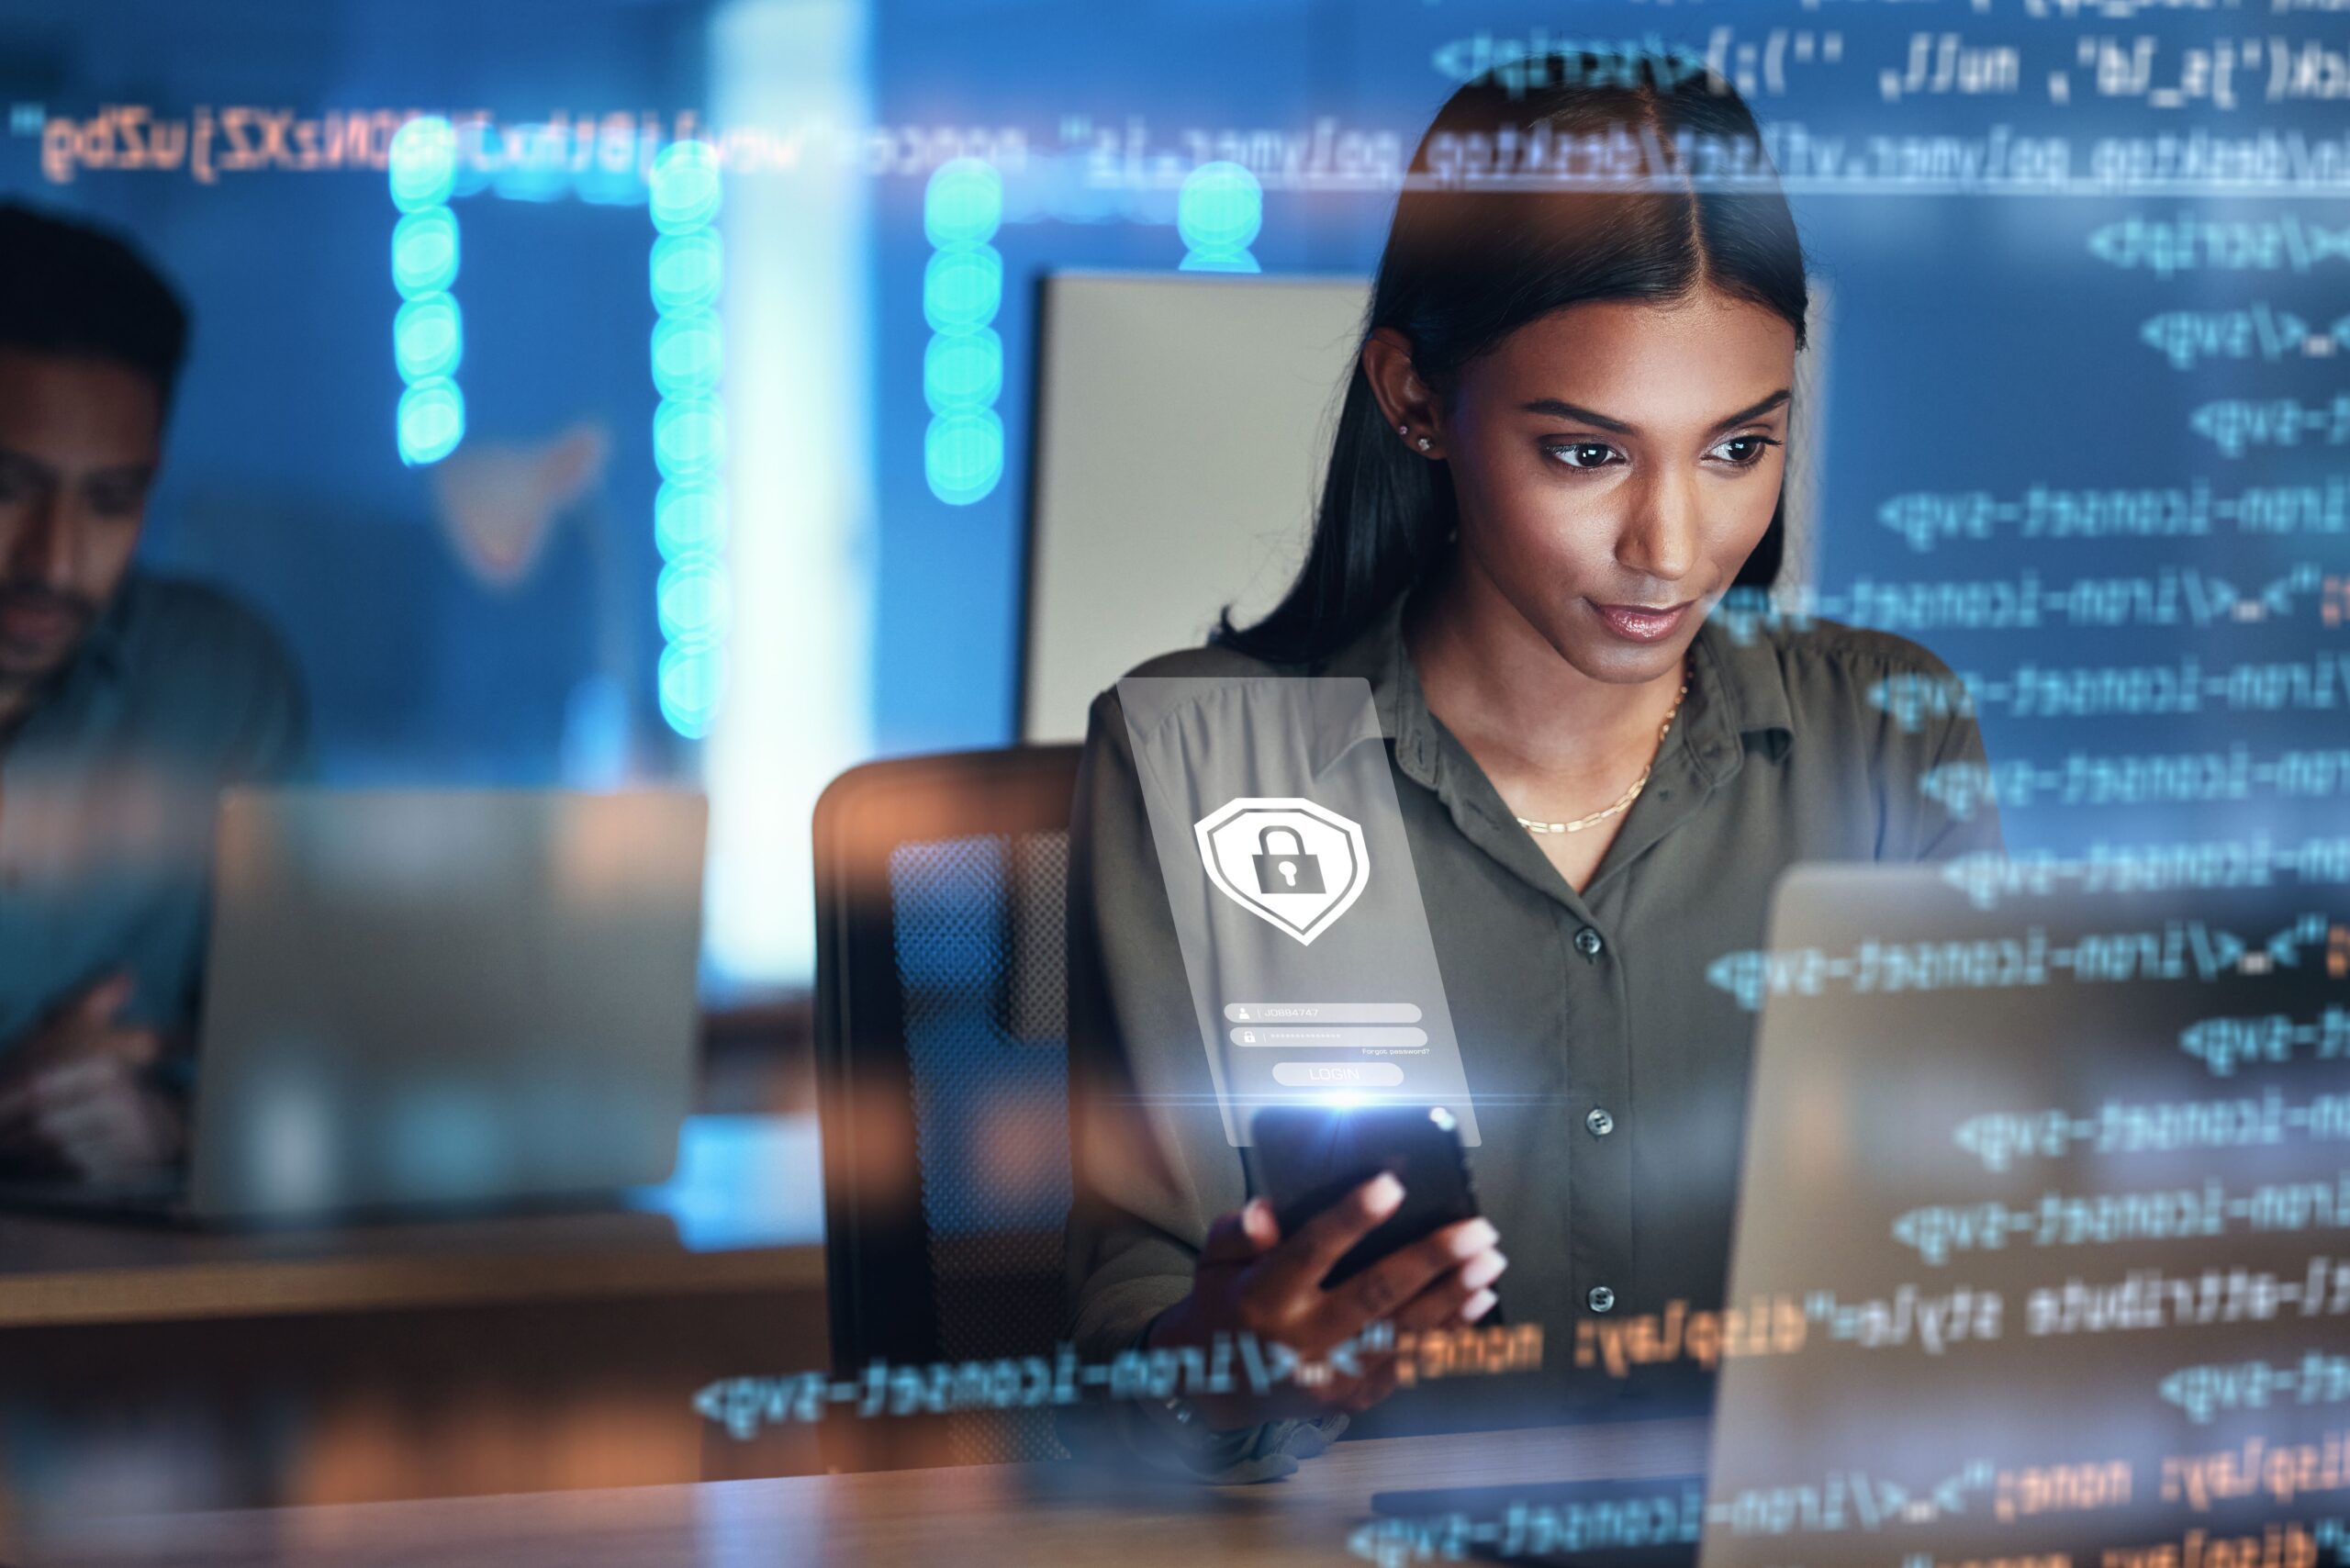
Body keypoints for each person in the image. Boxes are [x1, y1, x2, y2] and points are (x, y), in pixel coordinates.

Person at [1060, 53, 2006, 1480]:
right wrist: (1230, 1358)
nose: (1674, 549)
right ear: (1418, 401)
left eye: (1740, 446)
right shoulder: (1204, 759)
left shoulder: (1885, 738)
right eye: (1586, 456)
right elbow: (1136, 1338)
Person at [0, 201, 309, 1182]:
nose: (52, 560)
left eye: (110, 502)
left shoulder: (222, 685)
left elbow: (308, 1066)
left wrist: (160, 1132)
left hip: (133, 1315)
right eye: (5, 486)